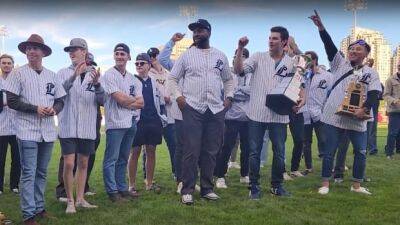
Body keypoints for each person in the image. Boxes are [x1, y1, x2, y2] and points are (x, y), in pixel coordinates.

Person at [310, 10, 381, 195]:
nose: (353, 51)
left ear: (366, 54)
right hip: (334, 115)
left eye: (358, 49)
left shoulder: (371, 73)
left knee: (360, 152)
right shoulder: (339, 63)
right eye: (351, 48)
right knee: (329, 151)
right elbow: (329, 46)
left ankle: (356, 185)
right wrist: (321, 28)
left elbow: (374, 93)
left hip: (358, 118)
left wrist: (364, 109)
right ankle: (325, 183)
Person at [168, 19, 234, 205]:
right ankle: (187, 189)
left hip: (215, 109)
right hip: (193, 108)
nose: (196, 34)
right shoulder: (186, 56)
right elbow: (172, 79)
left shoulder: (220, 56)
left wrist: (229, 98)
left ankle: (207, 188)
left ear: (209, 32)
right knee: (191, 150)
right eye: (194, 31)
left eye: (200, 30)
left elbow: (229, 80)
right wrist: (179, 97)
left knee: (211, 150)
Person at [234, 26, 303, 200]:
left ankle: (276, 186)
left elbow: (300, 83)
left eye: (275, 38)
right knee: (254, 152)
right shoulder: (258, 57)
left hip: (280, 114)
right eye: (270, 38)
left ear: (284, 42)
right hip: (257, 112)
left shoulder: (292, 62)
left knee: (279, 152)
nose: (271, 41)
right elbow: (238, 70)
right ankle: (254, 186)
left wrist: (300, 99)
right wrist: (241, 48)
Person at [4, 34, 66, 225]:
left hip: (47, 131)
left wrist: (54, 109)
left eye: (35, 48)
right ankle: (28, 214)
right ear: (25, 51)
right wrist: (35, 109)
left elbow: (60, 99)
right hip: (27, 130)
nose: (31, 51)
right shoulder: (17, 73)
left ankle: (39, 208)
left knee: (42, 172)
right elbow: (12, 101)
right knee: (29, 173)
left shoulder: (52, 75)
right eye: (28, 48)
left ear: (43, 52)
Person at [57, 38, 104, 213]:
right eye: (69, 50)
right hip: (68, 124)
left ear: (84, 51)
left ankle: (80, 199)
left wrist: (98, 84)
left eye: (75, 49)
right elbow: (58, 94)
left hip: (87, 126)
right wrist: (73, 77)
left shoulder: (96, 74)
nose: (71, 52)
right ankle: (70, 201)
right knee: (69, 163)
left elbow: (103, 100)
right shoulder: (62, 73)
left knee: (83, 163)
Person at [102, 43, 144, 202]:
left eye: (123, 54)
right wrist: (130, 101)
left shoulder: (134, 79)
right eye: (117, 53)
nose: (120, 56)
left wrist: (127, 101)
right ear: (114, 56)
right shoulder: (109, 75)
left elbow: (142, 103)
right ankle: (112, 191)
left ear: (128, 57)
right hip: (115, 123)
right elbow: (119, 99)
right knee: (111, 159)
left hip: (131, 122)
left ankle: (122, 188)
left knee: (123, 158)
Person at [128, 53, 167, 193]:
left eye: (142, 63)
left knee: (151, 152)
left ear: (149, 65)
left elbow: (162, 100)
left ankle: (149, 183)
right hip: (138, 121)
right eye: (137, 63)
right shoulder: (131, 80)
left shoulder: (154, 81)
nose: (139, 66)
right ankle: (131, 185)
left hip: (153, 121)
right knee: (135, 152)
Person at [215, 48, 251, 189]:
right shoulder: (228, 74)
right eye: (235, 56)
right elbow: (225, 91)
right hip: (230, 117)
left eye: (240, 56)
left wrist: (236, 91)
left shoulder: (252, 74)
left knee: (247, 148)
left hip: (248, 117)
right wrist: (239, 92)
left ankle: (244, 174)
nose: (236, 59)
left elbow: (251, 91)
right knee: (226, 147)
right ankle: (221, 176)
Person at [296, 51, 332, 175]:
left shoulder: (326, 76)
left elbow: (332, 93)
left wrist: (326, 110)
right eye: (304, 59)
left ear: (315, 60)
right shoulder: (301, 75)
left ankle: (329, 166)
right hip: (305, 113)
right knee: (306, 143)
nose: (306, 61)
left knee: (324, 140)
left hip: (319, 113)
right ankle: (308, 167)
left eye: (308, 59)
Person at [0, 54, 19, 195]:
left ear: (13, 65)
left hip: (18, 127)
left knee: (17, 159)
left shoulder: (18, 82)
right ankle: (0, 187)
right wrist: (5, 103)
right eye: (4, 63)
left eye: (9, 63)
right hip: (1, 127)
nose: (6, 65)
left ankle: (14, 185)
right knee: (0, 159)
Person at [383, 59, 400, 159]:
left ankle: (398, 150)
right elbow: (385, 95)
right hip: (394, 110)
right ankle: (389, 153)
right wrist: (394, 101)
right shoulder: (390, 80)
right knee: (393, 132)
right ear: (398, 67)